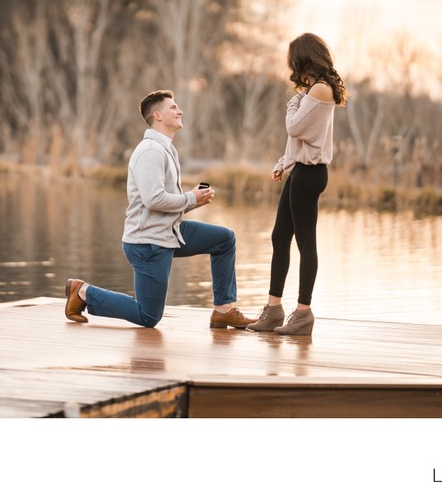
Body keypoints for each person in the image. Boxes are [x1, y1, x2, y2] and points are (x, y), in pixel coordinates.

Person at [65, 89, 255, 329]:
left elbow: (163, 202)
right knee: (148, 316)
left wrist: (194, 201)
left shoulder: (166, 148)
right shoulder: (151, 151)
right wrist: (189, 197)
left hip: (169, 232)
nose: (180, 111)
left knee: (224, 239)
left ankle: (223, 311)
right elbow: (153, 200)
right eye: (173, 107)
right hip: (148, 243)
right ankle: (83, 291)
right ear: (157, 115)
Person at [248, 33, 347, 336]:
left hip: (310, 174)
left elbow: (294, 127)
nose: (291, 67)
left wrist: (294, 101)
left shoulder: (320, 90)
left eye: (293, 61)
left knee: (305, 243)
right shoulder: (313, 91)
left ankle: (303, 313)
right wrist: (284, 162)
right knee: (280, 237)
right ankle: (273, 310)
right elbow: (300, 139)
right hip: (300, 171)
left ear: (303, 58)